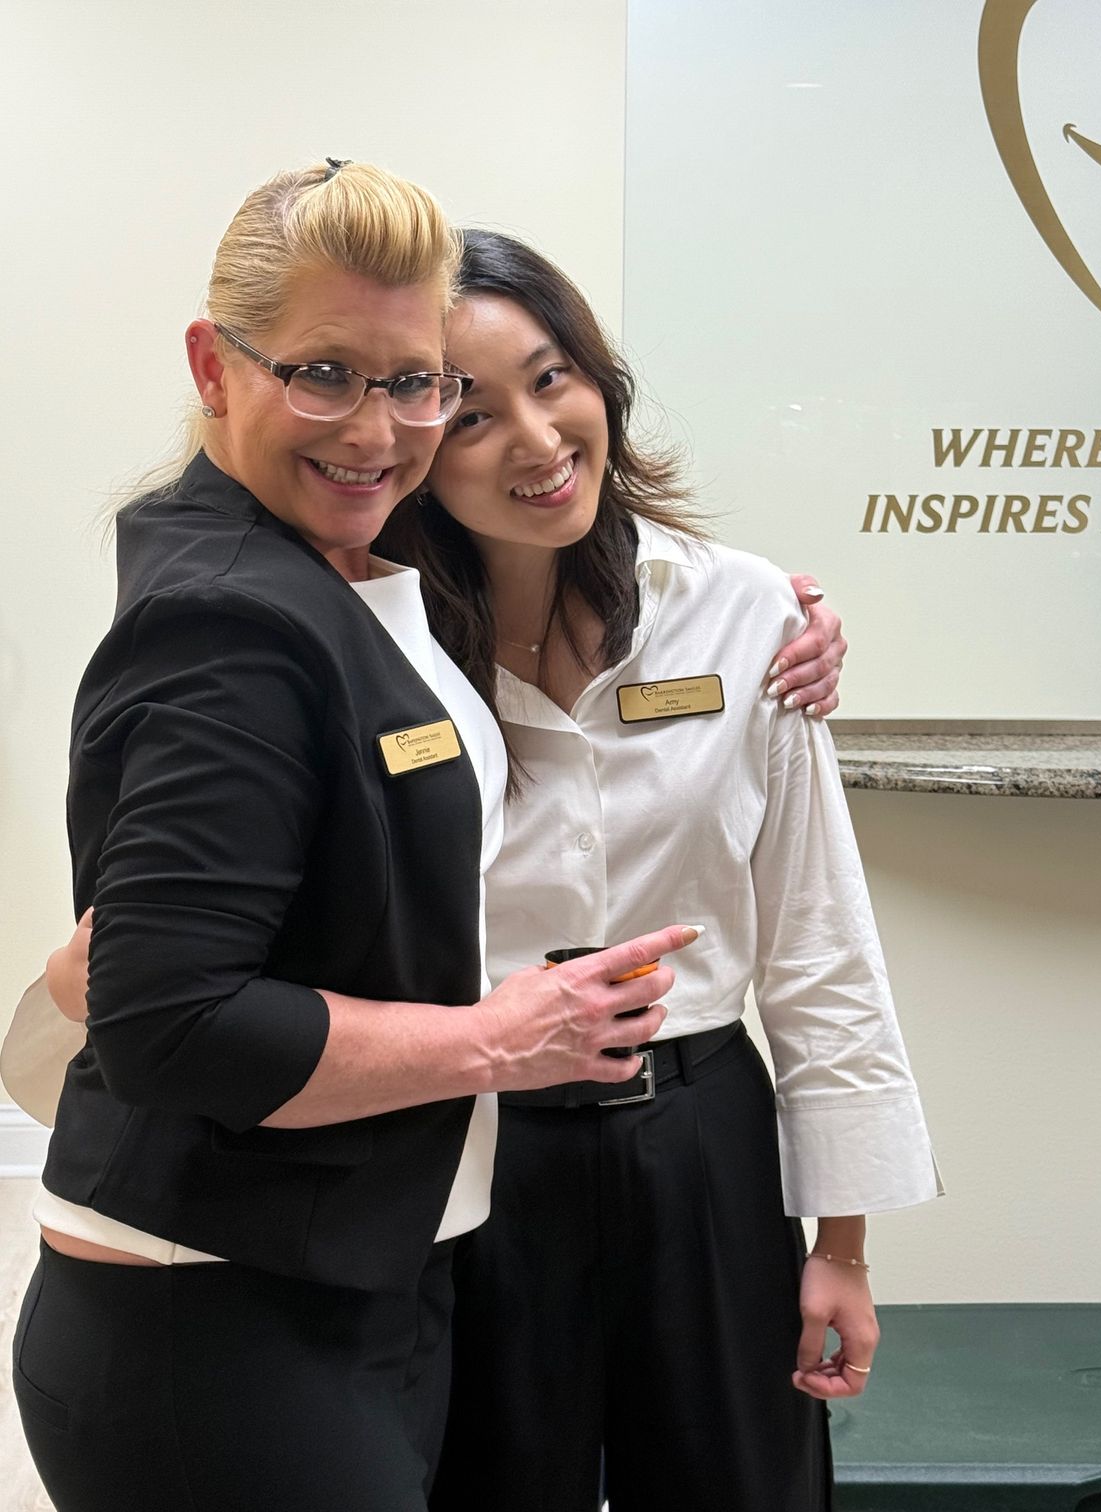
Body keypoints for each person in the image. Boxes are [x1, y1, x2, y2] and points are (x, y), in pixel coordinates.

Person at [5, 162, 699, 1512]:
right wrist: (500, 1040)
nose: (377, 430)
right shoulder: (228, 618)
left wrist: (763, 612)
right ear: (214, 366)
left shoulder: (347, 560)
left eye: (413, 382)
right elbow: (171, 1024)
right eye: (323, 375)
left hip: (350, 1270)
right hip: (212, 1315)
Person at [372, 230, 941, 1512]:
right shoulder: (373, 644)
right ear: (413, 446)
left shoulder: (745, 613)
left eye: (553, 378)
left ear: (601, 381)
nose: (536, 439)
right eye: (472, 413)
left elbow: (818, 940)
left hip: (702, 1140)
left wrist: (844, 1244)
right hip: (474, 1141)